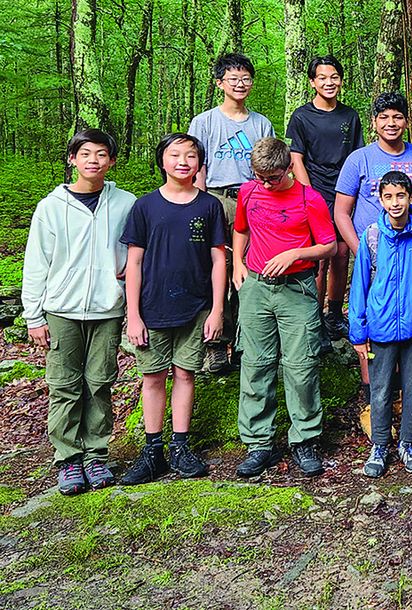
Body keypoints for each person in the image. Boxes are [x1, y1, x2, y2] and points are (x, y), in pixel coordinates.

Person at [21, 129, 135, 495]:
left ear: (112, 161)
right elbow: (36, 262)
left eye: (101, 154)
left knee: (100, 383)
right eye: (85, 153)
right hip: (62, 309)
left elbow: (136, 252)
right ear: (72, 159)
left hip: (107, 307)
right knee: (64, 385)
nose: (93, 161)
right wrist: (33, 315)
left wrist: (128, 281)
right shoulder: (51, 206)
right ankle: (68, 459)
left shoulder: (125, 203)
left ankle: (96, 454)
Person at [120, 134, 227, 485]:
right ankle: (153, 450)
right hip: (152, 308)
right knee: (153, 377)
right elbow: (133, 264)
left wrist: (216, 310)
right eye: (175, 155)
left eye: (191, 155)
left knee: (185, 374)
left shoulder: (209, 206)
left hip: (195, 308)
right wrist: (132, 314)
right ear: (162, 161)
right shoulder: (145, 206)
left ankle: (180, 446)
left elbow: (218, 259)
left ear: (200, 163)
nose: (183, 161)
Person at [231, 137, 335, 479]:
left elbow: (329, 247)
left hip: (297, 289)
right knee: (255, 364)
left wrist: (295, 254)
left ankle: (304, 439)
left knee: (301, 365)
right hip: (257, 287)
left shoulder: (310, 199)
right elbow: (241, 229)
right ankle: (258, 442)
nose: (265, 184)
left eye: (272, 178)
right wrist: (237, 265)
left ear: (289, 168)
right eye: (259, 176)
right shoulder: (249, 191)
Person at [335, 91, 412, 402]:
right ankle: (374, 397)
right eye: (384, 117)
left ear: (406, 122)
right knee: (373, 319)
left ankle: (404, 399)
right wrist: (362, 251)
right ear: (374, 123)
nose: (391, 123)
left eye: (397, 117)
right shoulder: (359, 159)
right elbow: (341, 211)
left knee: (411, 318)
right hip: (374, 256)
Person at [349, 171, 412, 478]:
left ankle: (409, 442)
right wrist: (358, 331)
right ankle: (379, 444)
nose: (395, 202)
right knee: (380, 388)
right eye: (388, 196)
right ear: (380, 199)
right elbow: (359, 284)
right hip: (381, 326)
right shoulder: (373, 236)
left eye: (401, 196)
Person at [189, 52, 276, 374]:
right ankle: (214, 344)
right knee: (218, 270)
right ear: (220, 83)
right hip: (216, 197)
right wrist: (199, 202)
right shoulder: (205, 121)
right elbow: (197, 163)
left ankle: (244, 341)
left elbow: (269, 165)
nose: (240, 84)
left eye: (246, 79)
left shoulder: (261, 123)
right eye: (233, 79)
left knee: (251, 272)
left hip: (253, 198)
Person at [285, 55, 364, 348]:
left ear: (341, 80)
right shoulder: (302, 116)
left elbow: (357, 157)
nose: (328, 82)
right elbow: (296, 159)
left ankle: (334, 314)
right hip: (314, 193)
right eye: (322, 78)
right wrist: (310, 196)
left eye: (334, 77)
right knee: (319, 257)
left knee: (342, 254)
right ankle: (313, 316)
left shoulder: (350, 116)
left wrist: (353, 193)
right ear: (312, 82)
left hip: (345, 193)